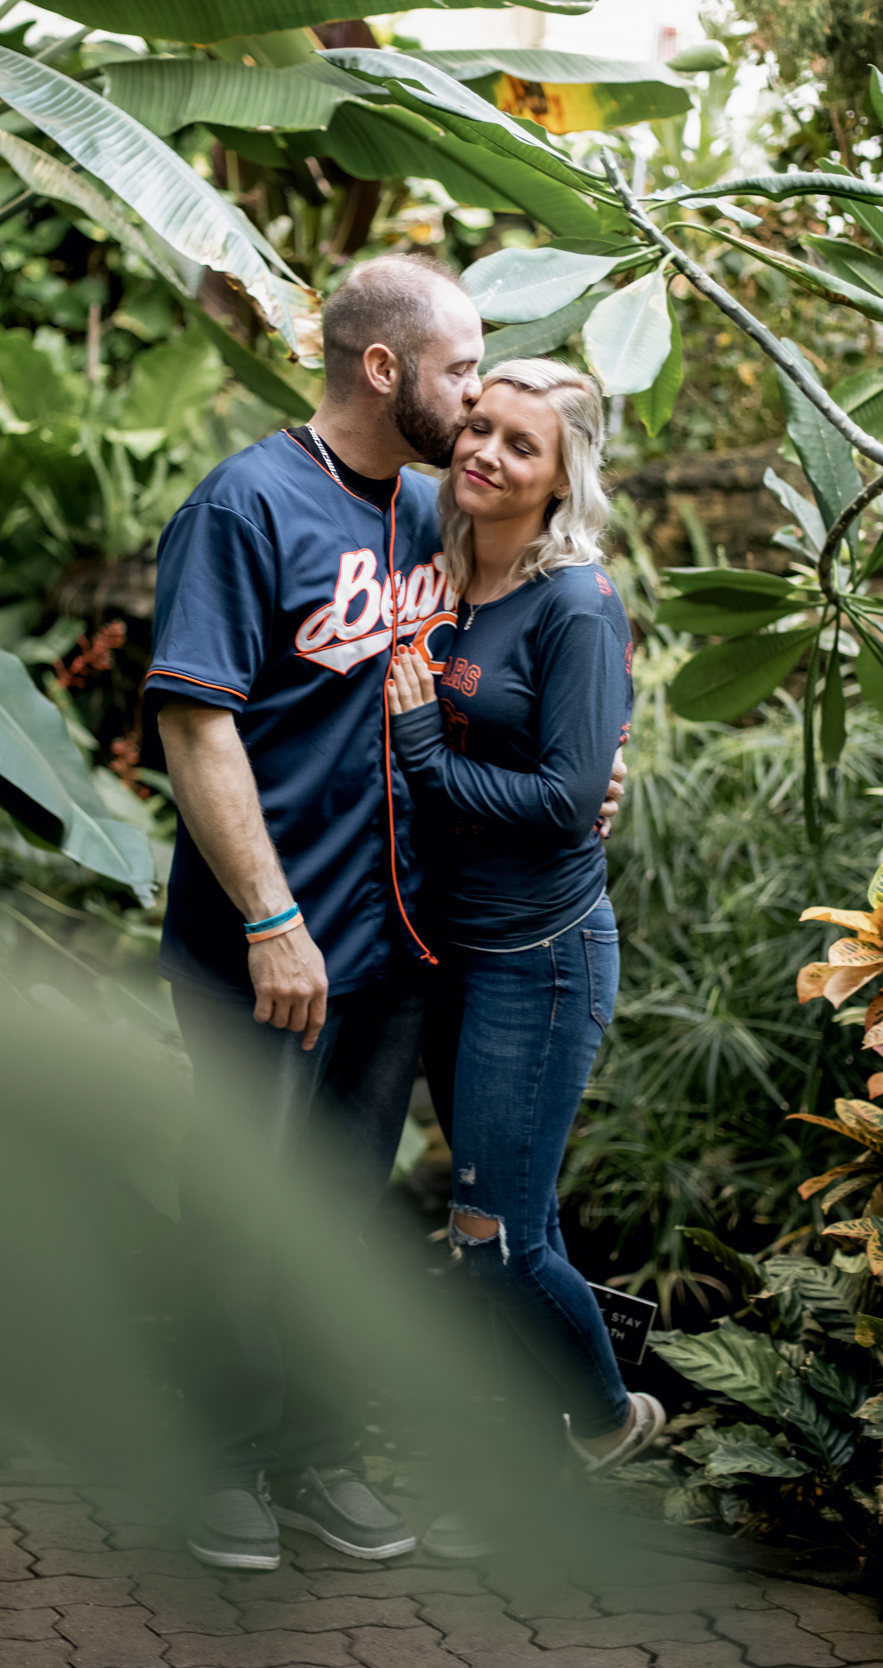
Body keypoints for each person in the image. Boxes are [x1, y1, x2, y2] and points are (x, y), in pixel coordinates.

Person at [147, 261, 626, 1572]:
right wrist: (268, 916)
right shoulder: (246, 504)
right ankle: (220, 1457)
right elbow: (194, 724)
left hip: (402, 940)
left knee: (341, 1210)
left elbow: (540, 650)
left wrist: (591, 769)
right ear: (383, 368)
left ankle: (311, 1452)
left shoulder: (433, 510)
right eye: (461, 370)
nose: (476, 401)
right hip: (271, 943)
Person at [387, 358, 664, 1534]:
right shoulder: (446, 571)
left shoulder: (575, 603)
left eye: (521, 444)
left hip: (538, 957)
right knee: (514, 1219)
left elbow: (564, 800)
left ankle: (605, 1422)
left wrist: (423, 752)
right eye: (479, 426)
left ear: (561, 479)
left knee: (491, 1236)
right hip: (450, 949)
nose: (486, 453)